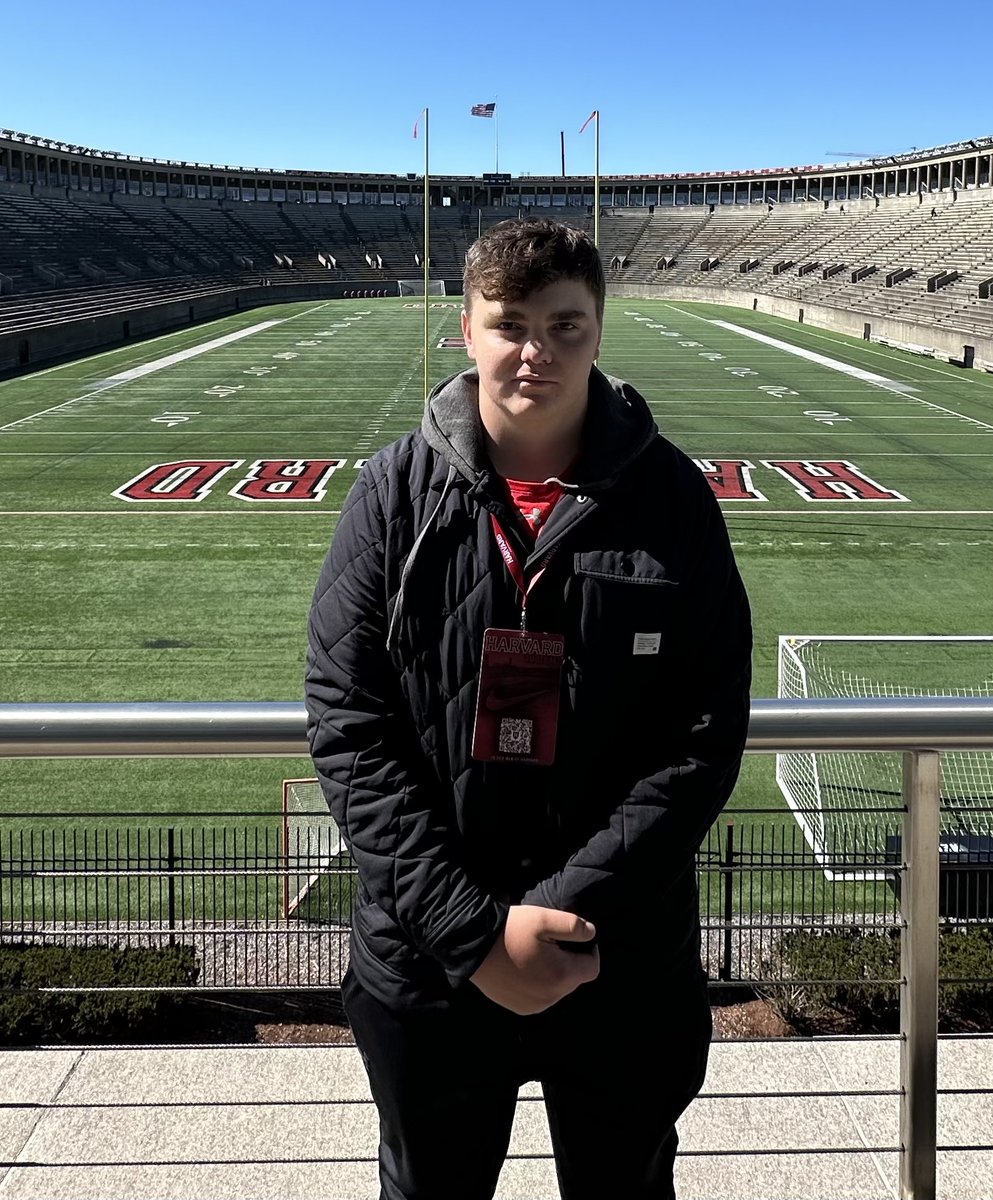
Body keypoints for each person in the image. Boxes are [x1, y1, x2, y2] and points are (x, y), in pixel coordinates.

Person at [305, 218, 752, 1200]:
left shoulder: (674, 498)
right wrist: (472, 934)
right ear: (464, 331)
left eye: (565, 325)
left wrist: (564, 904)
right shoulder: (391, 493)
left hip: (619, 954)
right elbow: (347, 723)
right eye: (510, 324)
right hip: (430, 960)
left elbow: (706, 730)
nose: (535, 352)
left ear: (599, 331)